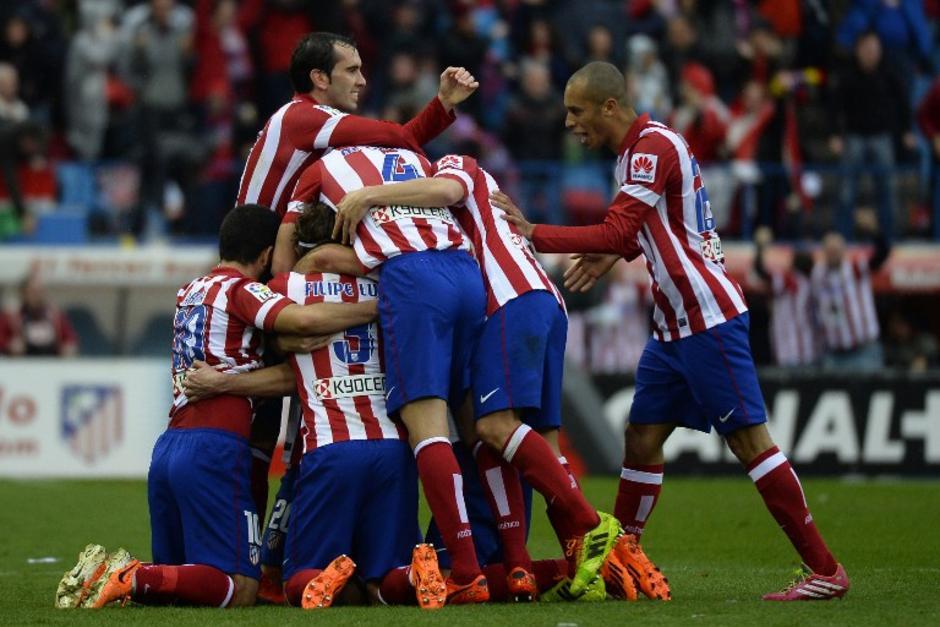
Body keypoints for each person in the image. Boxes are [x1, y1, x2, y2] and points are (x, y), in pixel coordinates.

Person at [496, 61, 849, 601]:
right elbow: (650, 231)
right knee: (641, 437)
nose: (569, 123)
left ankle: (825, 570)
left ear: (609, 106)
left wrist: (533, 233)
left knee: (750, 443)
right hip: (672, 324)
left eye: (576, 110)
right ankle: (621, 558)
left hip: (708, 318)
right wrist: (612, 255)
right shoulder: (633, 155)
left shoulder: (651, 148)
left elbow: (620, 228)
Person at [332, 153, 640, 600]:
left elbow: (446, 189)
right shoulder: (461, 210)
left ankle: (593, 526)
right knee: (542, 446)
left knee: (493, 426)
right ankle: (591, 564)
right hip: (542, 299)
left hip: (508, 298)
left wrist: (367, 195)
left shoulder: (453, 166)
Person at [55, 204, 377, 609]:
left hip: (170, 447)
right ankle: (131, 576)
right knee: (240, 588)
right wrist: (379, 307)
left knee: (185, 586)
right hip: (216, 447)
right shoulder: (241, 290)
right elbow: (302, 322)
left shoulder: (190, 290)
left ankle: (123, 579)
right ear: (263, 255)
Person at [812, 210, 890, 371]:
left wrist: (875, 230)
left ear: (844, 250)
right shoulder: (818, 274)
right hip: (834, 354)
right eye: (829, 250)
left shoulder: (855, 268)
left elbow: (882, 254)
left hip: (863, 351)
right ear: (824, 252)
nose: (833, 254)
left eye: (836, 250)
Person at [752, 226, 821, 367]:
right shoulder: (796, 280)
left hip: (795, 352)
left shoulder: (797, 280)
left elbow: (761, 271)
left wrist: (760, 248)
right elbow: (762, 273)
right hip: (799, 353)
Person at [5, 274, 78, 357]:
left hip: (52, 362)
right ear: (23, 293)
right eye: (33, 291)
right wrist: (9, 346)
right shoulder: (12, 315)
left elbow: (70, 338)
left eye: (41, 291)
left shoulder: (56, 315)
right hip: (23, 363)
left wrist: (68, 347)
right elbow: (2, 340)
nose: (38, 295)